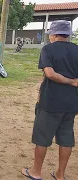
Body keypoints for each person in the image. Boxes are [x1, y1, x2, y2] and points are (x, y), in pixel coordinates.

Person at [21, 20, 78, 180]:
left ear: (54, 34)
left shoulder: (48, 49)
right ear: (67, 35)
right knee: (66, 139)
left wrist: (69, 81)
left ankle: (36, 172)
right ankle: (60, 174)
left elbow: (50, 74)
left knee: (42, 138)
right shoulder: (77, 50)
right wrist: (74, 82)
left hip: (50, 102)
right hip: (72, 102)